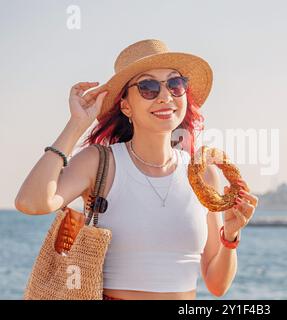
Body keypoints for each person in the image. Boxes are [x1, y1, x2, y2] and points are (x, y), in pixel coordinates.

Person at [15, 39, 258, 300]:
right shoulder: (100, 162)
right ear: (125, 105)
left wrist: (230, 236)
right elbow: (31, 202)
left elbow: (217, 285)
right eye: (148, 87)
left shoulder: (203, 174)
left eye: (175, 84)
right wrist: (76, 125)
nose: (165, 96)